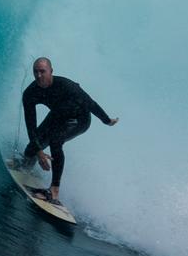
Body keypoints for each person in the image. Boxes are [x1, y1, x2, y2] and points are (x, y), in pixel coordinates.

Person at [19, 56, 117, 204]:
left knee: (55, 141)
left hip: (79, 119)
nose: (39, 76)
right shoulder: (30, 93)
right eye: (35, 72)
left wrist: (106, 120)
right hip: (57, 116)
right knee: (31, 149)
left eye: (42, 71)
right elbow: (30, 124)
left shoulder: (67, 86)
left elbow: (91, 103)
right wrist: (39, 152)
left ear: (51, 71)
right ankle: (27, 166)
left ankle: (54, 190)